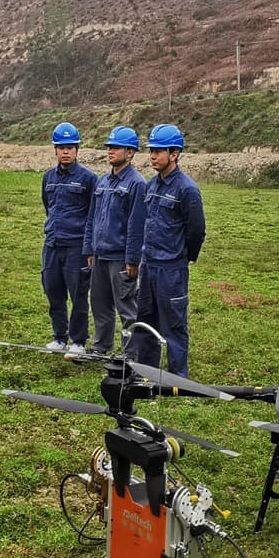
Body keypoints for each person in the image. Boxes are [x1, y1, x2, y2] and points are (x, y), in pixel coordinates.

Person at [129, 124, 205, 377]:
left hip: (171, 269)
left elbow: (196, 231)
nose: (152, 156)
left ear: (174, 154)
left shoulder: (187, 189)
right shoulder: (151, 186)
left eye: (159, 151)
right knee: (146, 321)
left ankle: (176, 377)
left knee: (174, 323)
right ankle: (147, 372)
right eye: (151, 151)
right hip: (149, 266)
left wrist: (183, 257)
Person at [86, 126, 147, 355]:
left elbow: (136, 225)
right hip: (100, 255)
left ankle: (130, 354)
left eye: (116, 147)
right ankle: (100, 347)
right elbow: (91, 218)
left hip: (121, 258)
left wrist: (133, 259)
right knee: (100, 305)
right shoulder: (102, 182)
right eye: (109, 147)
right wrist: (89, 250)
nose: (110, 151)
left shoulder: (137, 184)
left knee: (127, 308)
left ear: (130, 153)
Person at [40, 121, 97, 355]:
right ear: (55, 149)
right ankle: (59, 337)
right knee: (53, 292)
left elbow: (93, 214)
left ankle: (78, 341)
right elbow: (48, 206)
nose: (66, 151)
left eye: (70, 147)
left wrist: (88, 246)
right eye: (61, 147)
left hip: (76, 247)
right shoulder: (48, 177)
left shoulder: (88, 179)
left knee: (79, 296)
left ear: (77, 150)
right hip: (52, 244)